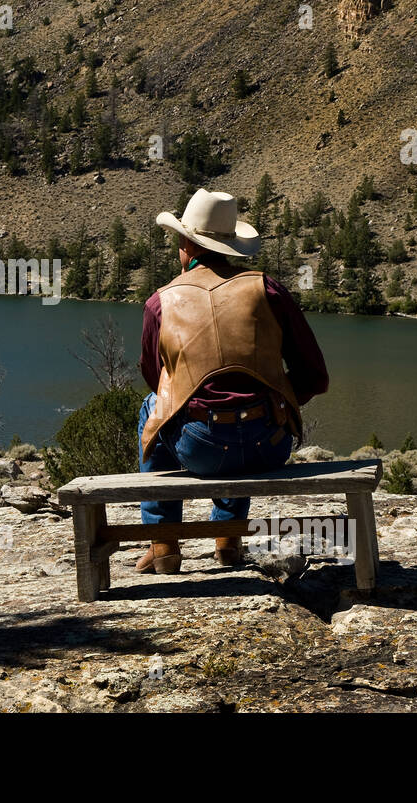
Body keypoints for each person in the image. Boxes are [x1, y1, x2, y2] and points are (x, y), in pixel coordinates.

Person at [136, 188, 329, 575]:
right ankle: (227, 540)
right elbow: (315, 377)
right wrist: (276, 404)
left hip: (200, 447)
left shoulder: (162, 301)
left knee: (149, 407)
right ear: (229, 246)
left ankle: (164, 544)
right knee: (246, 410)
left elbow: (155, 380)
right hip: (267, 445)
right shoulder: (267, 290)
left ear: (187, 245)